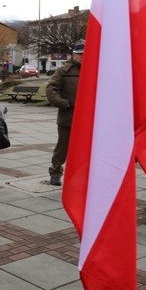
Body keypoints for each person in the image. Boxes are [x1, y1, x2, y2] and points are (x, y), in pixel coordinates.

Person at [42, 41, 84, 186]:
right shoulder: (63, 71)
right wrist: (63, 103)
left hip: (88, 119)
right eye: (80, 54)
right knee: (62, 149)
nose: (83, 57)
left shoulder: (93, 70)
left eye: (85, 54)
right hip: (68, 117)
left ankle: (83, 175)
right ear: (74, 55)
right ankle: (55, 173)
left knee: (86, 150)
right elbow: (51, 89)